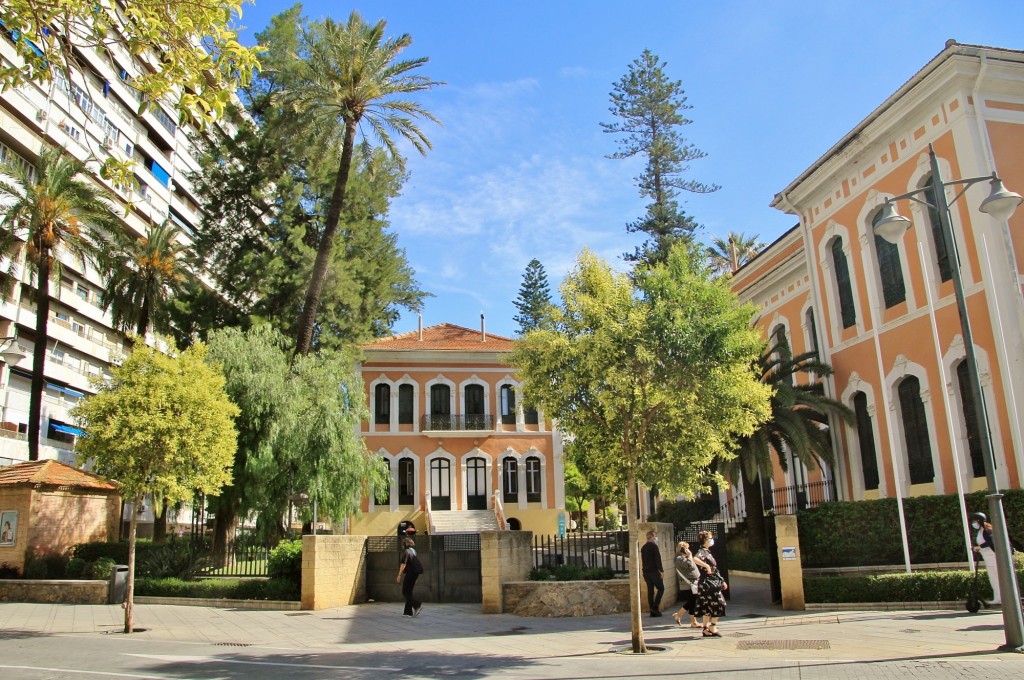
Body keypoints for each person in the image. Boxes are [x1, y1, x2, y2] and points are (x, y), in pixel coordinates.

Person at [693, 530, 727, 637]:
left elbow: (715, 569)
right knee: (720, 603)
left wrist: (722, 580)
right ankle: (712, 626)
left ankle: (705, 628)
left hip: (711, 582)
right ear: (706, 540)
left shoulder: (707, 552)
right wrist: (707, 566)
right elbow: (695, 558)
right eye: (710, 538)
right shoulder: (702, 551)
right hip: (708, 583)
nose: (712, 540)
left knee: (707, 606)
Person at [970, 512, 1000, 606]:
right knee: (993, 578)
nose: (973, 524)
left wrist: (980, 547)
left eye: (975, 521)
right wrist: (977, 548)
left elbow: (990, 541)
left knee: (998, 577)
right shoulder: (981, 531)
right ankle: (998, 598)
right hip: (987, 557)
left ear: (979, 521)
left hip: (993, 557)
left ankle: (1002, 597)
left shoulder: (987, 530)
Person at [672, 541, 704, 628]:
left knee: (692, 600)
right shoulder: (679, 559)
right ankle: (693, 622)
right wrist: (690, 556)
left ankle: (678, 615)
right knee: (693, 601)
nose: (687, 550)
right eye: (685, 548)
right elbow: (689, 565)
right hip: (690, 583)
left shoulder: (683, 557)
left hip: (694, 582)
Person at [396, 536, 424, 617]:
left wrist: (399, 575)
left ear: (405, 544)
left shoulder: (407, 552)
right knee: (409, 592)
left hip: (410, 573)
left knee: (405, 592)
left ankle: (417, 604)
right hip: (415, 573)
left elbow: (403, 564)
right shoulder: (413, 551)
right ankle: (407, 612)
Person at [640, 530, 665, 617]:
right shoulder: (654, 546)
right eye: (654, 536)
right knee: (661, 588)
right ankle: (655, 607)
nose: (655, 538)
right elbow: (658, 559)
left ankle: (652, 610)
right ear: (651, 536)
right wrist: (661, 571)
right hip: (653, 572)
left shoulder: (643, 547)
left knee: (650, 591)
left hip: (646, 572)